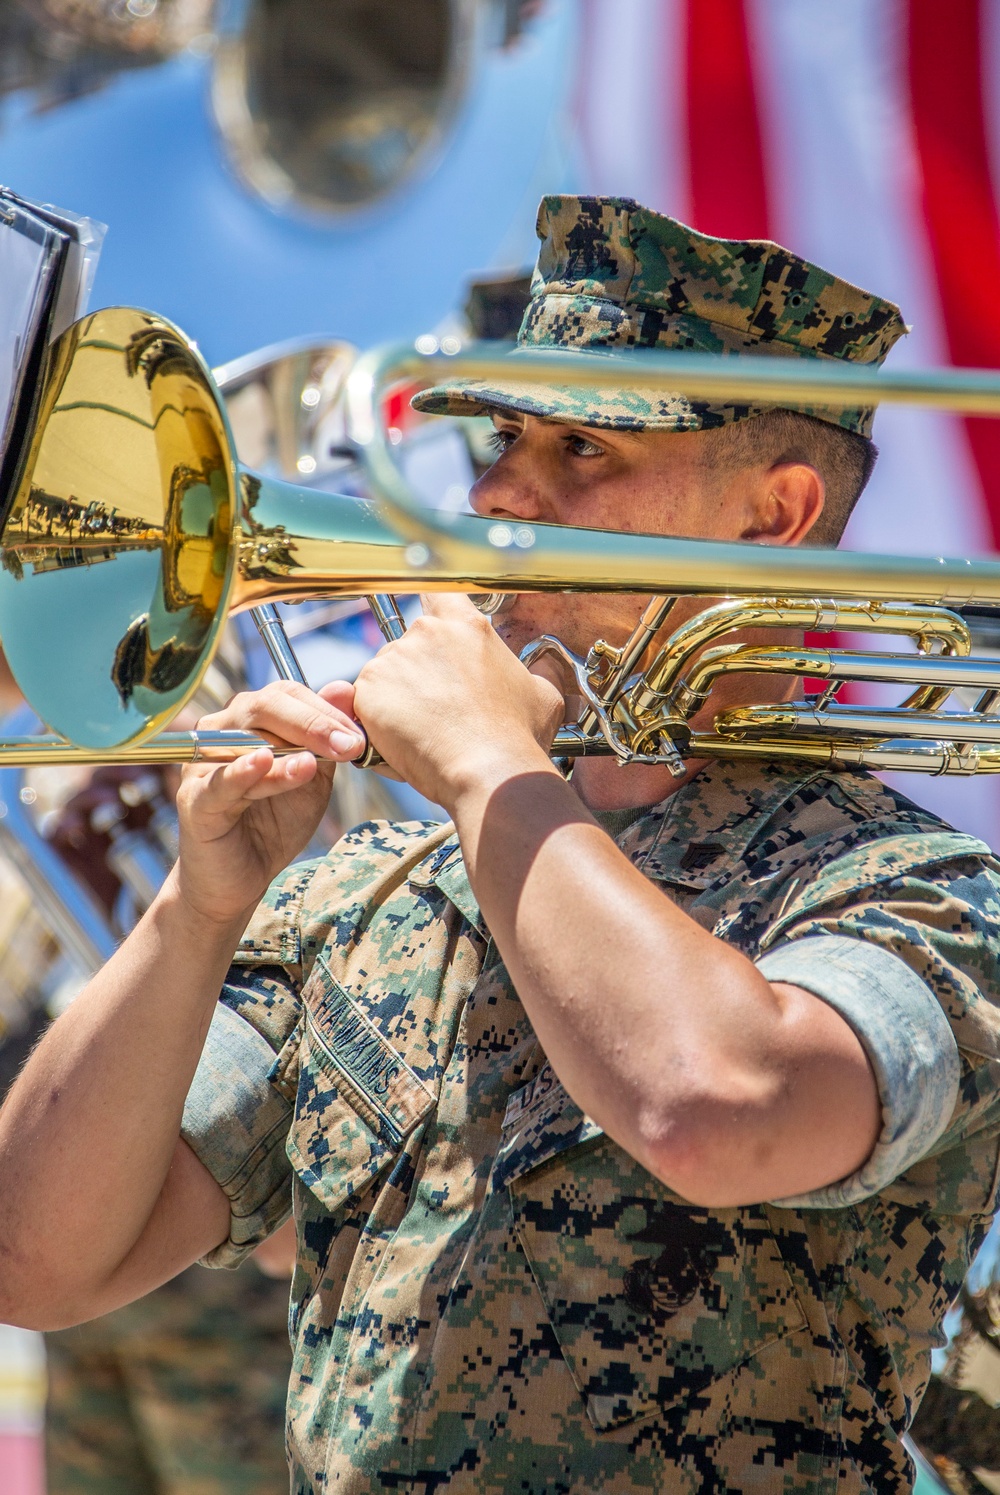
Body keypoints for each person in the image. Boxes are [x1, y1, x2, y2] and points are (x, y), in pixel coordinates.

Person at [2, 195, 999, 1495]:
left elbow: (717, 1109)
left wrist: (489, 763)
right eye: (506, 437)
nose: (495, 494)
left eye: (583, 446)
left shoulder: (911, 888)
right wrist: (196, 911)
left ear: (776, 514)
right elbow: (38, 1259)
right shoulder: (366, 898)